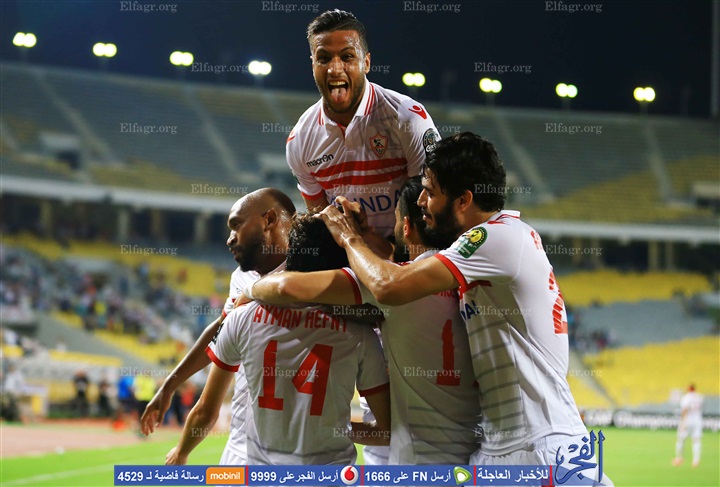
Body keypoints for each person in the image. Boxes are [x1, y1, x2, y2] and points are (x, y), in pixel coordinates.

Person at [320, 132, 612, 485]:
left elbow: (389, 285)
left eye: (430, 191)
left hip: (539, 446)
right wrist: (370, 240)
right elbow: (405, 262)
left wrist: (349, 238)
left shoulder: (494, 237)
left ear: (463, 200)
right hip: (501, 447)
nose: (422, 201)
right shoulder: (494, 245)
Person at [246, 177, 481, 464]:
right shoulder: (474, 282)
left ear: (407, 227)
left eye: (396, 221)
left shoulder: (390, 287)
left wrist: (249, 288)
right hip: (476, 458)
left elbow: (286, 287)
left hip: (418, 462)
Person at [165, 214, 390, 465]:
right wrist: (337, 428)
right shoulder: (360, 333)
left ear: (290, 253)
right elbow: (386, 431)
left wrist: (181, 453)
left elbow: (205, 411)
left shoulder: (241, 317)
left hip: (258, 473)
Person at [142, 188, 295, 465]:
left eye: (237, 225)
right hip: (250, 447)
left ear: (269, 220)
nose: (230, 238)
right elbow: (222, 330)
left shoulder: (317, 274)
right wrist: (170, 384)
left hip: (279, 449)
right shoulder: (243, 278)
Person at [287, 9, 441, 239]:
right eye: (324, 58)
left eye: (347, 57)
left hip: (408, 250)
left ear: (366, 62)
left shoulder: (407, 118)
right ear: (313, 65)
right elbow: (323, 223)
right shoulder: (300, 139)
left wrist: (387, 254)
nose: (335, 69)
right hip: (348, 253)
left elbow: (430, 206)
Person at [673, 384, 704, 467]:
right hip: (697, 421)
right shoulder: (699, 397)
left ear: (688, 389)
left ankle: (679, 458)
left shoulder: (686, 397)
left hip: (688, 421)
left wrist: (683, 422)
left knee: (680, 439)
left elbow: (685, 409)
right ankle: (696, 460)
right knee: (696, 440)